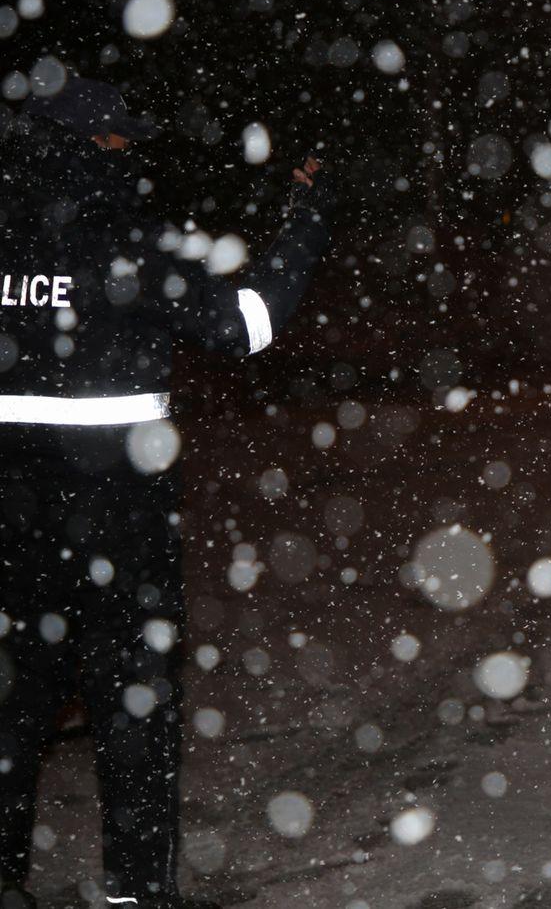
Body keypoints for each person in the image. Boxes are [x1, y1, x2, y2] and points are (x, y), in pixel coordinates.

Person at [0, 78, 338, 909]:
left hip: (9, 522)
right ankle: (134, 894)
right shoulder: (130, 239)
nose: (130, 152)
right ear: (96, 148)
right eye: (120, 140)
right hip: (120, 524)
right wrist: (308, 221)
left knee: (13, 708)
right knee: (131, 709)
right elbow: (247, 323)